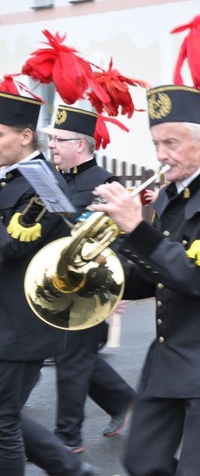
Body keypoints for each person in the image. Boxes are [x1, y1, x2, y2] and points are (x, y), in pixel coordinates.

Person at [91, 84, 200, 475]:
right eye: (156, 143)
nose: (161, 155)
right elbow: (157, 278)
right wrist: (105, 274)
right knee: (140, 460)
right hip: (169, 356)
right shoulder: (171, 195)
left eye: (172, 142)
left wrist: (137, 229)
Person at [0, 90, 96, 476]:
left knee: (3, 422)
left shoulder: (44, 185)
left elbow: (10, 246)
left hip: (20, 323)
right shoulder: (13, 178)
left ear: (25, 136)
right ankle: (68, 467)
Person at [44, 105, 137, 453]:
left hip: (88, 287)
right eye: (51, 139)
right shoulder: (52, 178)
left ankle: (67, 438)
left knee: (71, 358)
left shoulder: (106, 183)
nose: (52, 145)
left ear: (80, 146)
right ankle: (125, 403)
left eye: (58, 140)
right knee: (75, 356)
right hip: (56, 283)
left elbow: (123, 240)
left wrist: (117, 287)